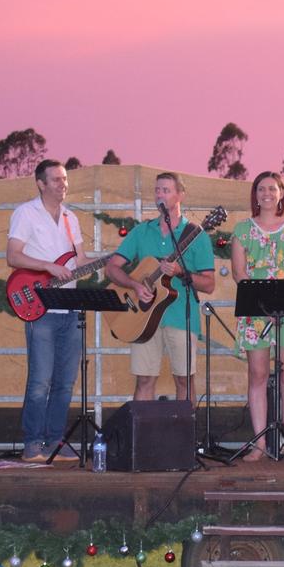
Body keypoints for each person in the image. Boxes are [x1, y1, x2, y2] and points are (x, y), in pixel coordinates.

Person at [105, 171, 216, 402]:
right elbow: (112, 268)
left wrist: (180, 272)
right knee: (145, 379)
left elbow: (209, 284)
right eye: (157, 190)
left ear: (180, 195)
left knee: (184, 380)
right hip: (142, 318)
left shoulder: (197, 235)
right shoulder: (141, 231)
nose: (159, 195)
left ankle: (184, 436)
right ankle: (142, 438)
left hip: (180, 316)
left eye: (166, 190)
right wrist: (134, 285)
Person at [6, 159, 85, 463]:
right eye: (56, 180)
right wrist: (48, 267)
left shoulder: (70, 218)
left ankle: (55, 441)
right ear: (40, 184)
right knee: (40, 379)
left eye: (64, 179)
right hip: (39, 304)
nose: (62, 185)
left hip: (70, 306)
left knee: (65, 381)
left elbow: (79, 261)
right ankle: (32, 444)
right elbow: (13, 256)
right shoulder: (26, 213)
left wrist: (113, 260)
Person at [230, 172, 284, 461]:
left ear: (281, 193)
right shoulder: (242, 230)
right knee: (258, 374)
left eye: (272, 188)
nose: (266, 193)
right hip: (255, 309)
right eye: (261, 188)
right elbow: (240, 274)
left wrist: (279, 301)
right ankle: (260, 444)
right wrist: (264, 304)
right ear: (255, 194)